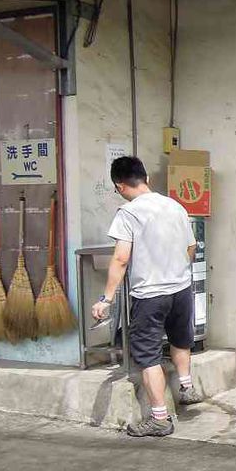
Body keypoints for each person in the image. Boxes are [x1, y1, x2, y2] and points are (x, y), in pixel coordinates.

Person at [92, 156, 202, 438]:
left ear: (119, 186)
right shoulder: (175, 206)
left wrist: (105, 299)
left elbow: (120, 258)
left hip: (150, 294)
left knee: (148, 355)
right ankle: (186, 387)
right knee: (180, 338)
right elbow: (191, 248)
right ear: (147, 179)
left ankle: (159, 419)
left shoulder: (128, 213)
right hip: (181, 289)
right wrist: (174, 268)